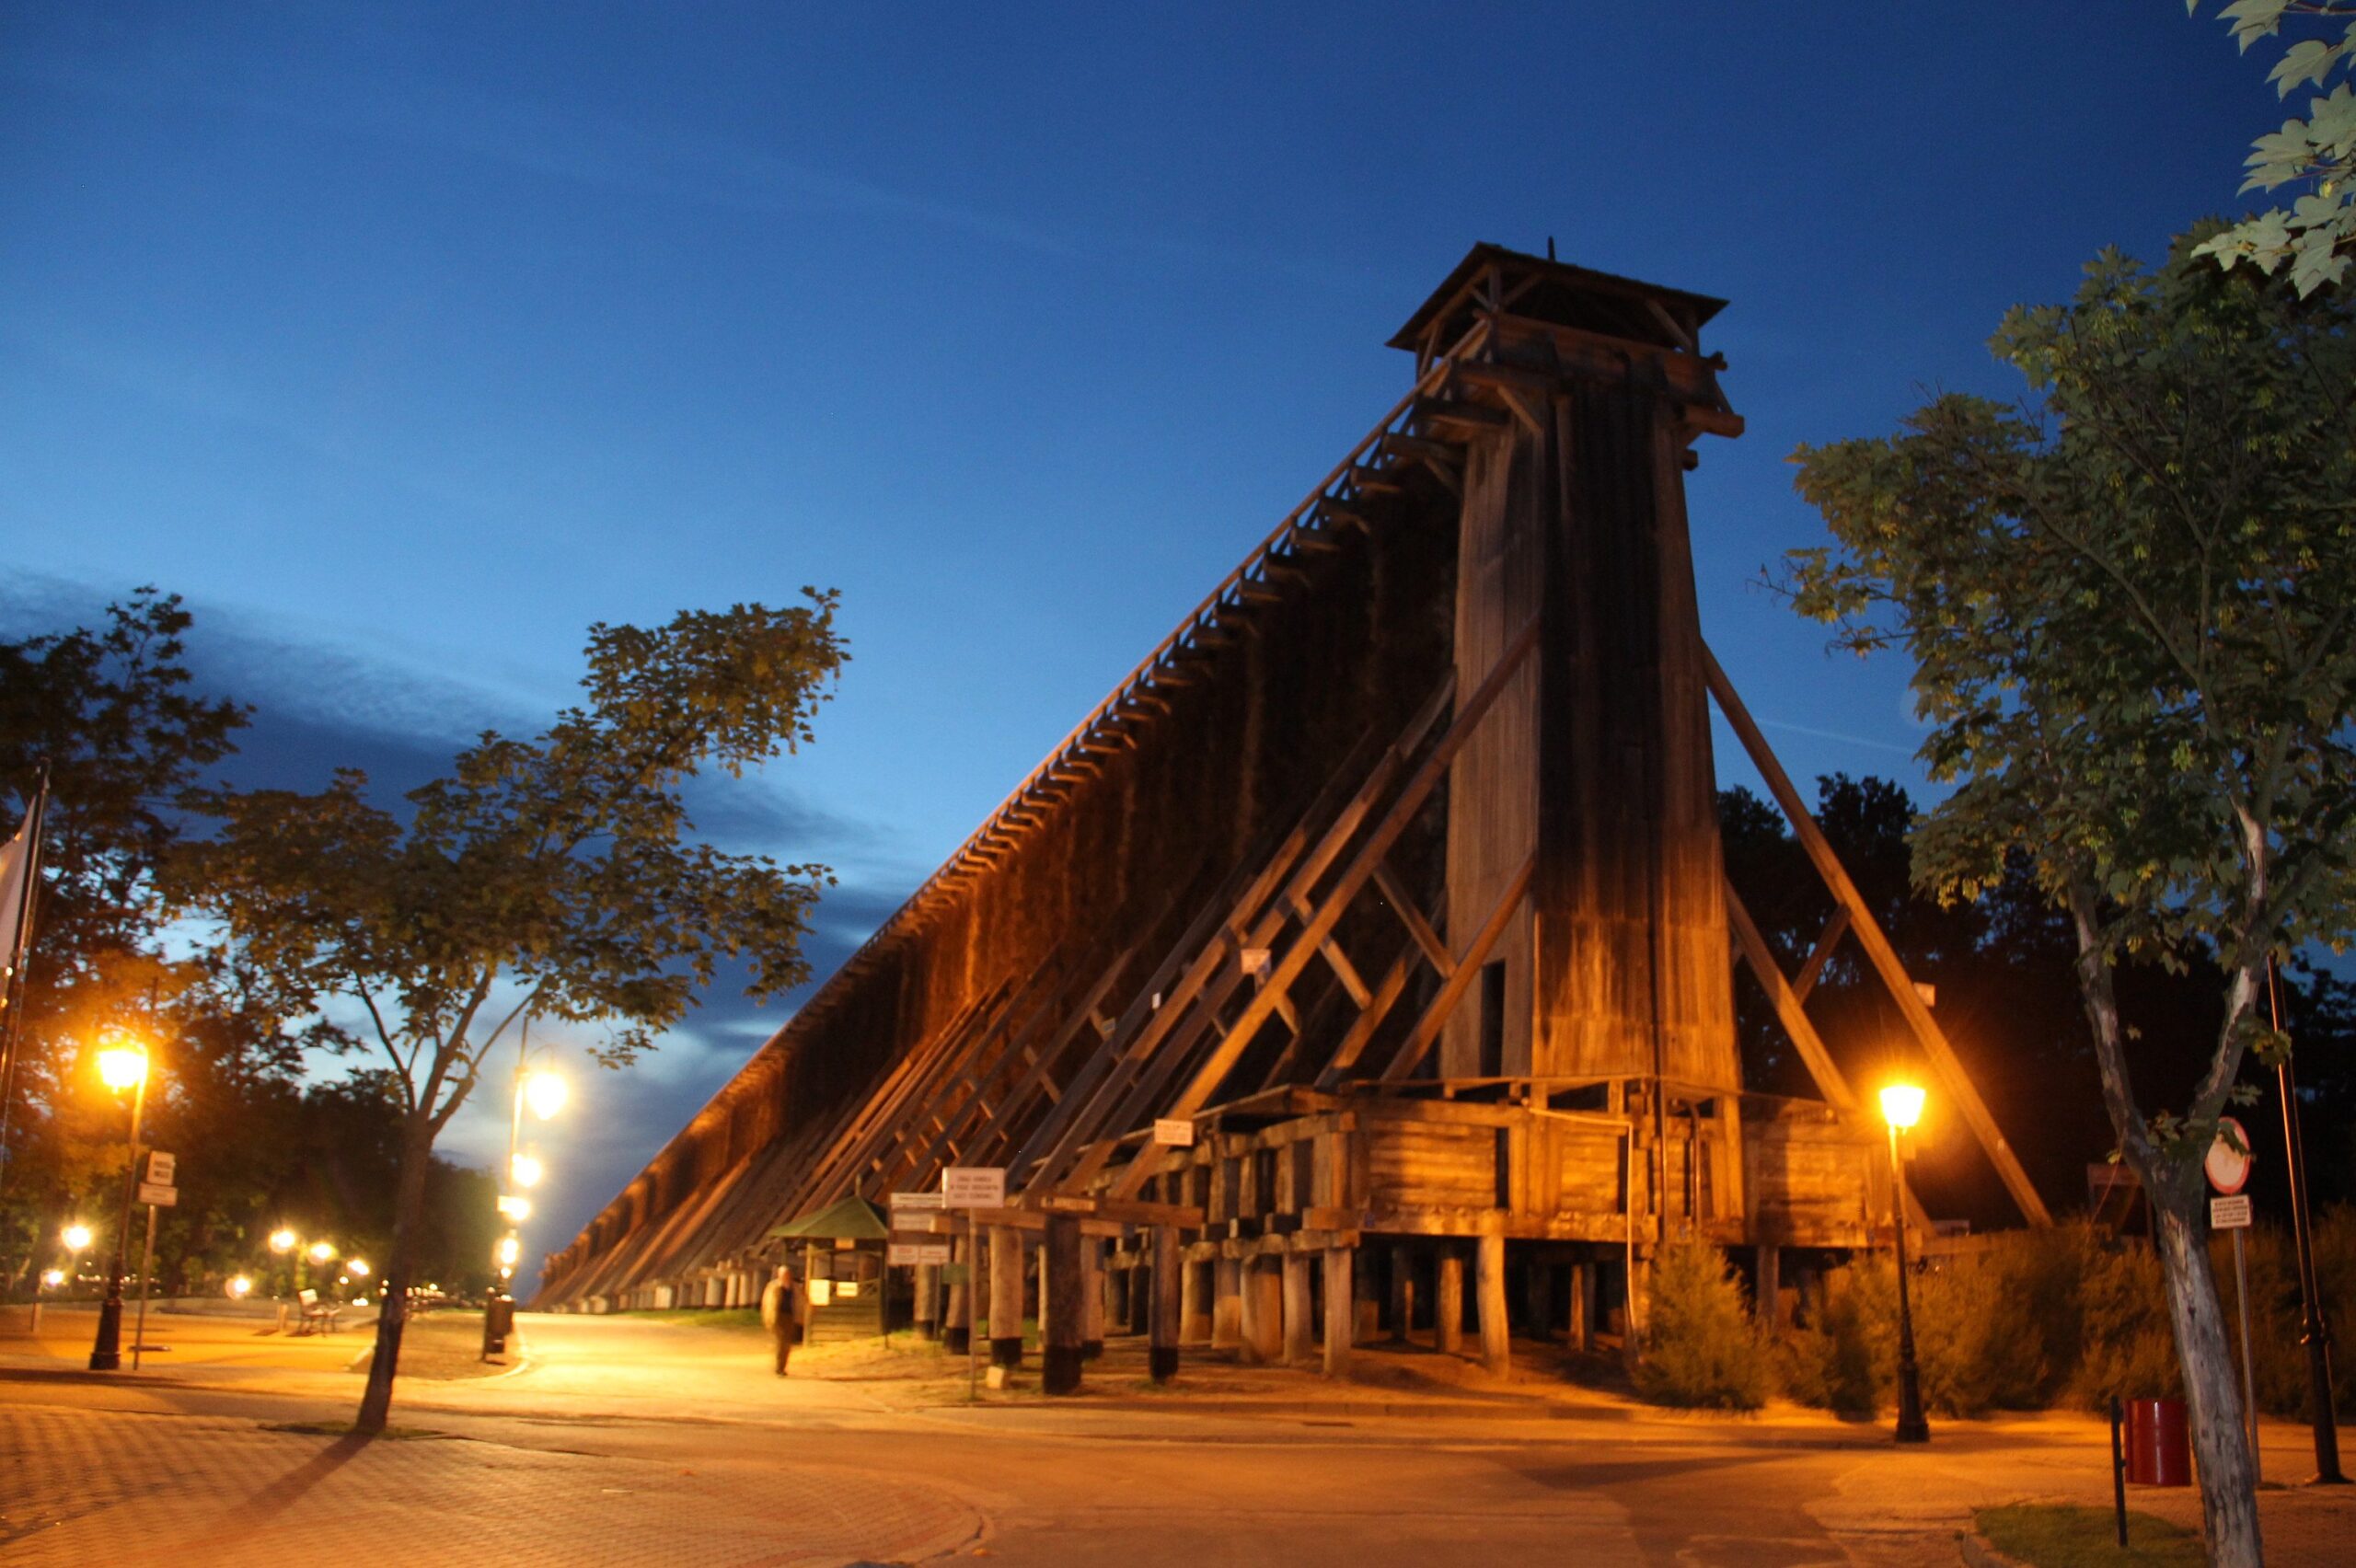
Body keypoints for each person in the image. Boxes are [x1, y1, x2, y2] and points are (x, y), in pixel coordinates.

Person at [762, 1263, 797, 1377]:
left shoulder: (794, 1287)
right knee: (781, 1341)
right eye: (783, 1274)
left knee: (787, 1343)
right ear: (779, 1275)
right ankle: (779, 1367)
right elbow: (767, 1302)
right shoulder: (773, 1286)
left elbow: (799, 1300)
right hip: (777, 1316)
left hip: (790, 1316)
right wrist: (768, 1317)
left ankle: (783, 1366)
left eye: (787, 1274)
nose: (786, 1276)